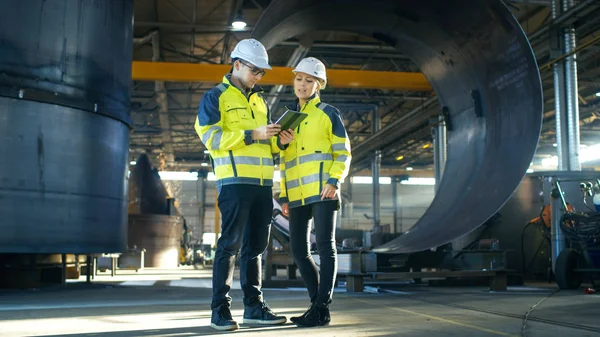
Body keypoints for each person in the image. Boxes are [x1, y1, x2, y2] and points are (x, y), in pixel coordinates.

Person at [195, 38, 294, 331]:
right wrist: (253, 133)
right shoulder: (215, 98)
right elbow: (212, 139)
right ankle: (219, 312)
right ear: (236, 64)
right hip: (234, 183)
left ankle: (253, 307)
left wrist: (278, 141)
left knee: (256, 248)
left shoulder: (259, 101)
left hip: (263, 186)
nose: (258, 76)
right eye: (255, 70)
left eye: (262, 72)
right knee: (230, 246)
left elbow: (263, 147)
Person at [279, 57, 351, 327]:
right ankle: (317, 305)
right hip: (297, 195)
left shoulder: (328, 113)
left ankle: (321, 307)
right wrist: (284, 194)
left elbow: (342, 151)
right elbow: (285, 161)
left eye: (309, 80)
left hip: (323, 191)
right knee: (298, 250)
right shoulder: (288, 118)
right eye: (299, 79)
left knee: (325, 248)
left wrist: (334, 180)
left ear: (319, 85)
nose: (302, 84)